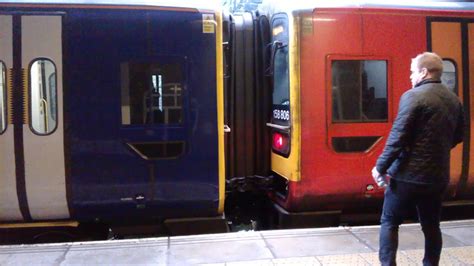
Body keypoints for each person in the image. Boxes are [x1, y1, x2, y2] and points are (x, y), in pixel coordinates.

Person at [371, 52, 464, 266]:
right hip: (437, 177)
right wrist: (436, 150)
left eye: (413, 72)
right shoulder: (454, 100)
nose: (410, 77)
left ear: (424, 72)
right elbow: (458, 136)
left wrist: (380, 167)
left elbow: (398, 136)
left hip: (406, 176)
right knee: (431, 225)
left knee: (389, 221)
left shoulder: (413, 96)